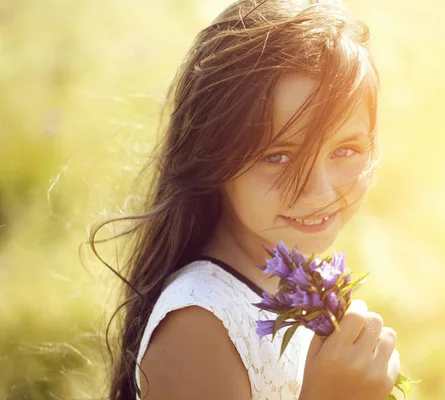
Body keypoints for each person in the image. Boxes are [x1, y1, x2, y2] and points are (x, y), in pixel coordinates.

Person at [90, 0, 401, 399]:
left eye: (345, 150)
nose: (320, 190)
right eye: (279, 156)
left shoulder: (293, 278)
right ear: (212, 155)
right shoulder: (198, 327)